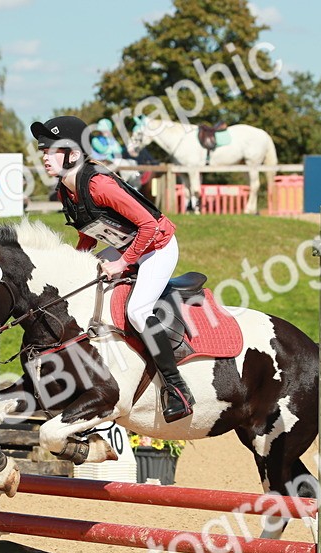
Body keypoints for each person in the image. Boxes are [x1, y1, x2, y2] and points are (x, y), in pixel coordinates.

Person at [31, 115, 193, 422]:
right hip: (125, 246)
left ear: (73, 154)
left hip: (156, 247)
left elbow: (148, 224)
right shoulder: (67, 190)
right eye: (43, 149)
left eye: (52, 150)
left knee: (138, 311)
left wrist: (122, 263)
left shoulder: (99, 185)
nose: (45, 156)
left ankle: (177, 388)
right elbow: (87, 232)